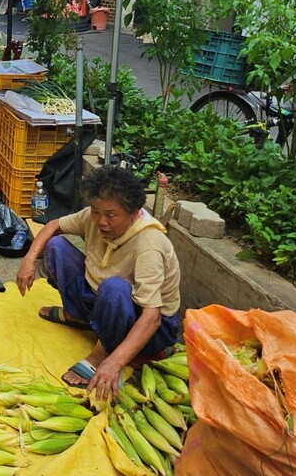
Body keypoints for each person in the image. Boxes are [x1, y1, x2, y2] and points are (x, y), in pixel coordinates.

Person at [16, 165, 181, 400]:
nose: (101, 221)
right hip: (101, 299)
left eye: (111, 215)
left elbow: (152, 317)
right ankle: (79, 316)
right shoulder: (94, 217)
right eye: (96, 211)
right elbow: (54, 225)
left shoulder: (148, 245)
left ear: (133, 212)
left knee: (114, 288)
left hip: (150, 326)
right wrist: (29, 260)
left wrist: (114, 362)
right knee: (57, 247)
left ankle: (101, 353)